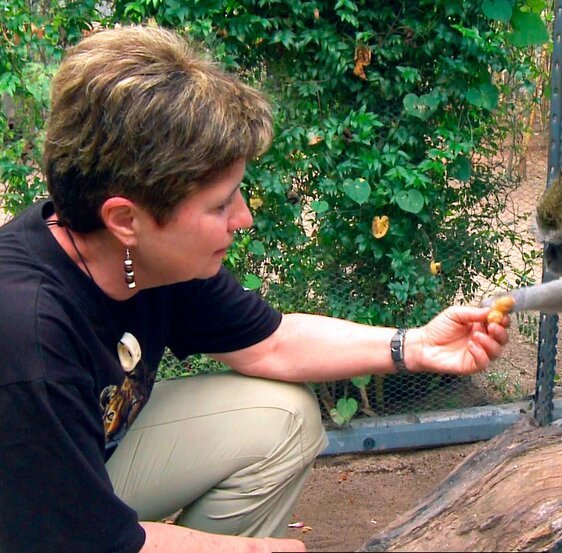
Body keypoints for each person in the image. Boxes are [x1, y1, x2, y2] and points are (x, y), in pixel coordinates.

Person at [0, 25, 510, 553]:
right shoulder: (28, 336)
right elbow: (84, 542)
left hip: (78, 471)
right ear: (125, 218)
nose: (242, 218)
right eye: (220, 205)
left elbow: (273, 343)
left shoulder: (143, 258)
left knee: (281, 416)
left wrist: (415, 345)